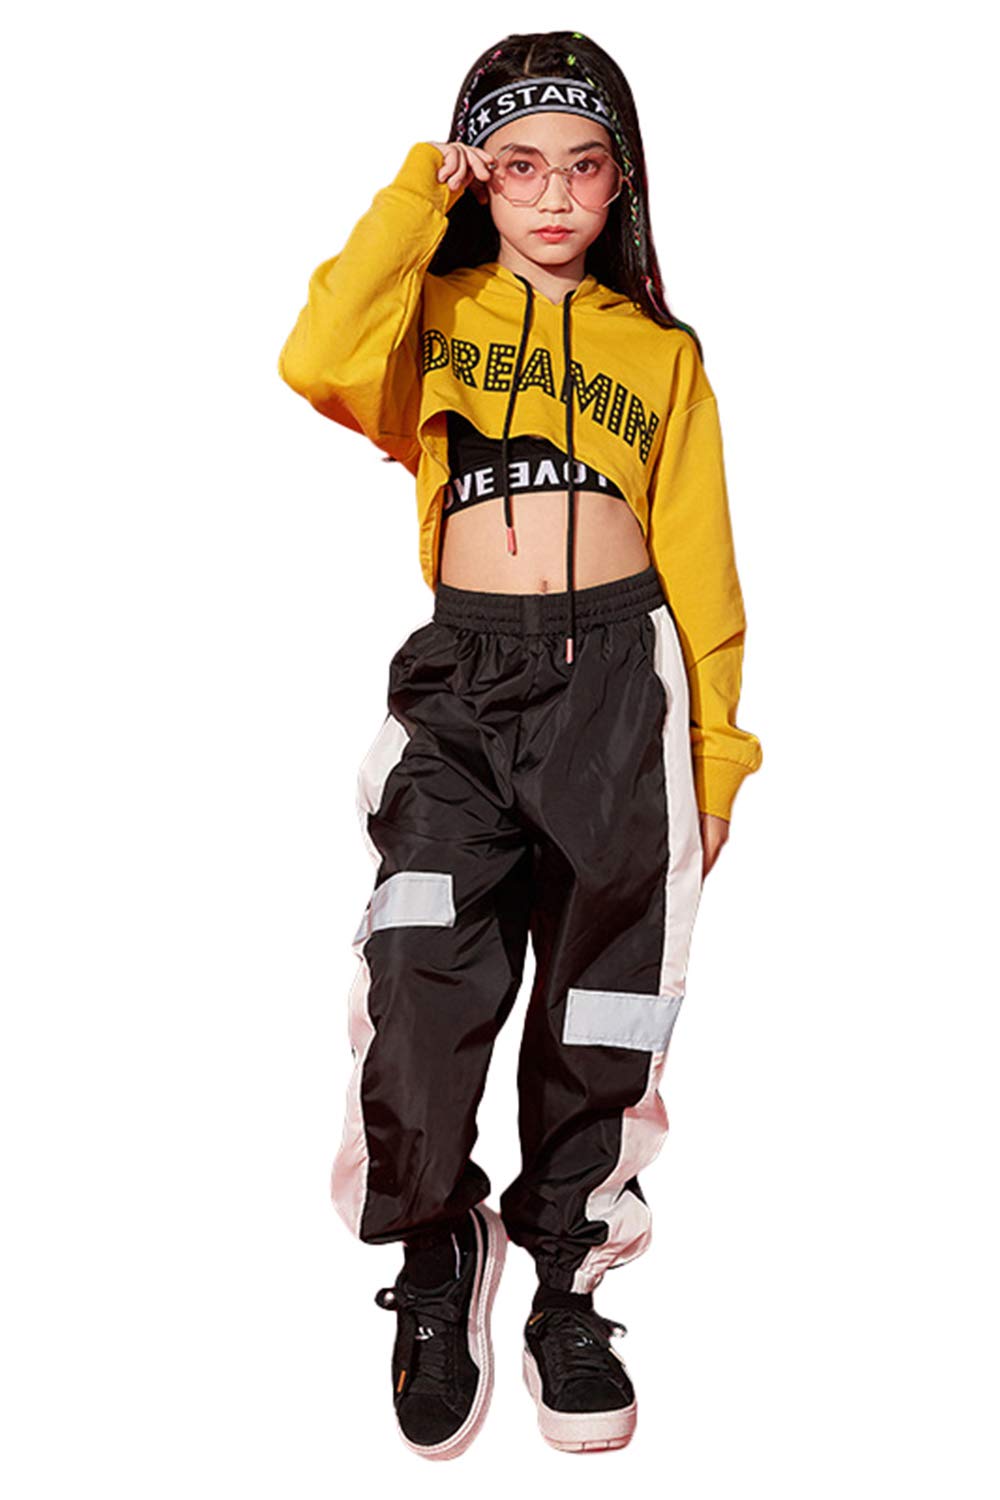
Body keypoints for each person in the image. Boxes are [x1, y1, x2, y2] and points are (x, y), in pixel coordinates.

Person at [278, 30, 762, 1460]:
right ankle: (438, 1251)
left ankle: (565, 1277)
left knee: (608, 997)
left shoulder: (659, 354)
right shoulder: (430, 315)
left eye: (584, 167)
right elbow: (314, 353)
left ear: (622, 183)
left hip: (621, 686)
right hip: (462, 683)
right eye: (519, 167)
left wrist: (715, 757)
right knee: (417, 971)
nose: (554, 196)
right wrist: (418, 194)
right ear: (481, 177)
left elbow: (704, 567)